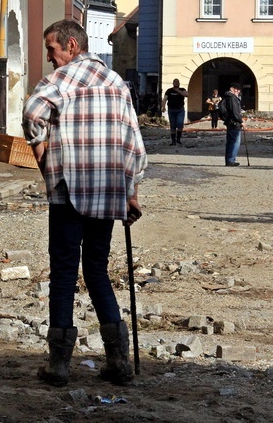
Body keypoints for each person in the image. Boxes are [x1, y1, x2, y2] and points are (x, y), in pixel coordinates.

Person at [22, 19, 148, 387]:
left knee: (63, 272)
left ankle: (59, 365)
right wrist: (133, 191)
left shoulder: (60, 80)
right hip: (108, 191)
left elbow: (32, 114)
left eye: (52, 49)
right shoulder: (116, 83)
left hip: (68, 190)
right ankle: (119, 361)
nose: (50, 57)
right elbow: (134, 144)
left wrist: (42, 149)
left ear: (72, 46)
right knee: (96, 270)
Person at [220, 82, 244, 167]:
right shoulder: (233, 98)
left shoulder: (227, 97)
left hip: (229, 122)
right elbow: (235, 112)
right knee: (235, 142)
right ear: (233, 89)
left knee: (230, 142)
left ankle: (229, 160)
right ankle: (231, 160)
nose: (238, 92)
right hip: (234, 123)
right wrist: (241, 121)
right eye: (237, 90)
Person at [161, 78, 189, 145]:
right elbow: (164, 99)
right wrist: (163, 107)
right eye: (175, 82)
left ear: (179, 83)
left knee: (180, 124)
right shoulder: (169, 91)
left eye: (177, 82)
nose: (176, 83)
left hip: (180, 110)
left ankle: (178, 139)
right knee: (172, 125)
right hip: (171, 110)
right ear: (173, 83)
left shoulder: (182, 89)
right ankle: (173, 141)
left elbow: (186, 95)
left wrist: (178, 90)